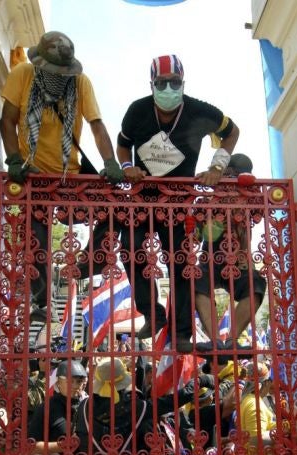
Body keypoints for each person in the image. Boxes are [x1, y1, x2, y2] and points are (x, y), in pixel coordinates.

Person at [0, 31, 123, 322]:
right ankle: (41, 301)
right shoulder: (23, 74)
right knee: (37, 239)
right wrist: (14, 159)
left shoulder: (80, 82)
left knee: (114, 207)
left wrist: (110, 162)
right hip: (34, 174)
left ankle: (91, 262)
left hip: (71, 176)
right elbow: (7, 118)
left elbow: (96, 125)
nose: (58, 77)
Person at [116, 54, 240, 340]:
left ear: (183, 83)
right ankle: (152, 313)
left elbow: (232, 132)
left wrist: (217, 167)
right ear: (152, 84)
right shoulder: (137, 110)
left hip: (179, 201)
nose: (169, 88)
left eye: (175, 82)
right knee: (130, 247)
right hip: (142, 197)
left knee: (181, 263)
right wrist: (127, 167)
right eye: (162, 83)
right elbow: (122, 146)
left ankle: (182, 333)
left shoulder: (200, 110)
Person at [183, 153, 267, 361]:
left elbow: (260, 208)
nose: (230, 179)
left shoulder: (250, 199)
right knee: (195, 279)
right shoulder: (207, 201)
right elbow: (195, 237)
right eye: (228, 174)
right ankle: (216, 341)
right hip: (210, 261)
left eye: (235, 175)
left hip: (239, 263)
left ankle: (231, 340)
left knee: (256, 284)